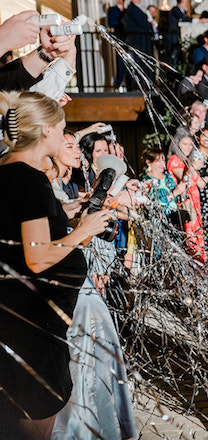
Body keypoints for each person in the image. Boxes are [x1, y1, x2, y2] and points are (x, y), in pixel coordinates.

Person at [0, 91, 110, 440]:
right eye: (61, 124)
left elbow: (17, 233)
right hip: (34, 329)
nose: (66, 131)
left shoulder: (6, 169)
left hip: (16, 318)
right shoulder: (30, 178)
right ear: (46, 130)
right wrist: (83, 231)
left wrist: (63, 215)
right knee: (32, 426)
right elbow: (37, 256)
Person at [50, 133, 137, 440]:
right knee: (79, 366)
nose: (76, 151)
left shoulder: (60, 189)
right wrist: (85, 225)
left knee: (98, 361)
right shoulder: (37, 187)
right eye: (69, 144)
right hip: (70, 294)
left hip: (83, 291)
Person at [167, 130, 206, 263]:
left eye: (191, 144)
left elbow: (201, 184)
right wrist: (192, 167)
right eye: (185, 144)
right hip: (185, 204)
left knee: (197, 237)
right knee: (190, 240)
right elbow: (185, 181)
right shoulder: (175, 160)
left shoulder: (187, 161)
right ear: (177, 144)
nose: (189, 147)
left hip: (195, 204)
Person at [167, 0, 192, 66]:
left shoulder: (184, 11)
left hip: (179, 35)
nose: (186, 4)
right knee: (174, 54)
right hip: (173, 36)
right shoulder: (175, 9)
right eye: (184, 2)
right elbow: (183, 19)